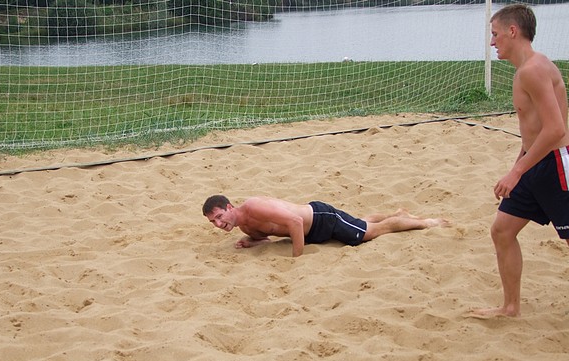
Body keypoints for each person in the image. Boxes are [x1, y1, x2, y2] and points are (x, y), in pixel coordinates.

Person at [472, 4, 569, 318]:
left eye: (495, 34)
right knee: (502, 231)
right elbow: (534, 131)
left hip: (555, 165)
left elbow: (556, 129)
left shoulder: (534, 69)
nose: (492, 42)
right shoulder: (525, 70)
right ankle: (510, 306)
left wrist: (516, 172)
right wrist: (519, 165)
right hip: (534, 162)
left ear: (513, 31)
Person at [202, 194, 449, 257]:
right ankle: (397, 213)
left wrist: (297, 258)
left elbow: (295, 221)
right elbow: (269, 236)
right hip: (313, 232)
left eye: (219, 216)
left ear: (230, 207)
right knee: (359, 223)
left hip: (321, 219)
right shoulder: (244, 227)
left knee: (367, 234)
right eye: (214, 222)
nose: (218, 224)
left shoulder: (253, 207)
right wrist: (252, 242)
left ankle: (426, 223)